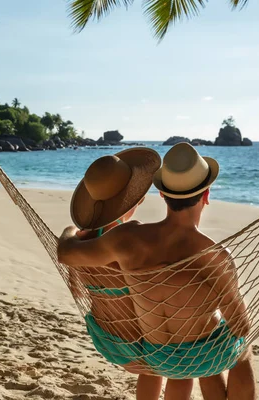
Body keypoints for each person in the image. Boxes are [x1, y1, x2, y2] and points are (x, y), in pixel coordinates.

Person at [58, 143, 256, 400]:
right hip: (202, 356)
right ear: (206, 196)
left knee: (206, 348)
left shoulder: (128, 238)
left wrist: (70, 231)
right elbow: (240, 325)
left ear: (162, 195)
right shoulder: (215, 256)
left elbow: (65, 254)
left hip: (157, 356)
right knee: (243, 348)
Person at [66, 148, 165, 400]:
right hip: (138, 346)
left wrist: (70, 232)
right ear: (134, 199)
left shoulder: (81, 241)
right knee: (159, 367)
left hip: (104, 337)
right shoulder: (131, 238)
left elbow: (76, 287)